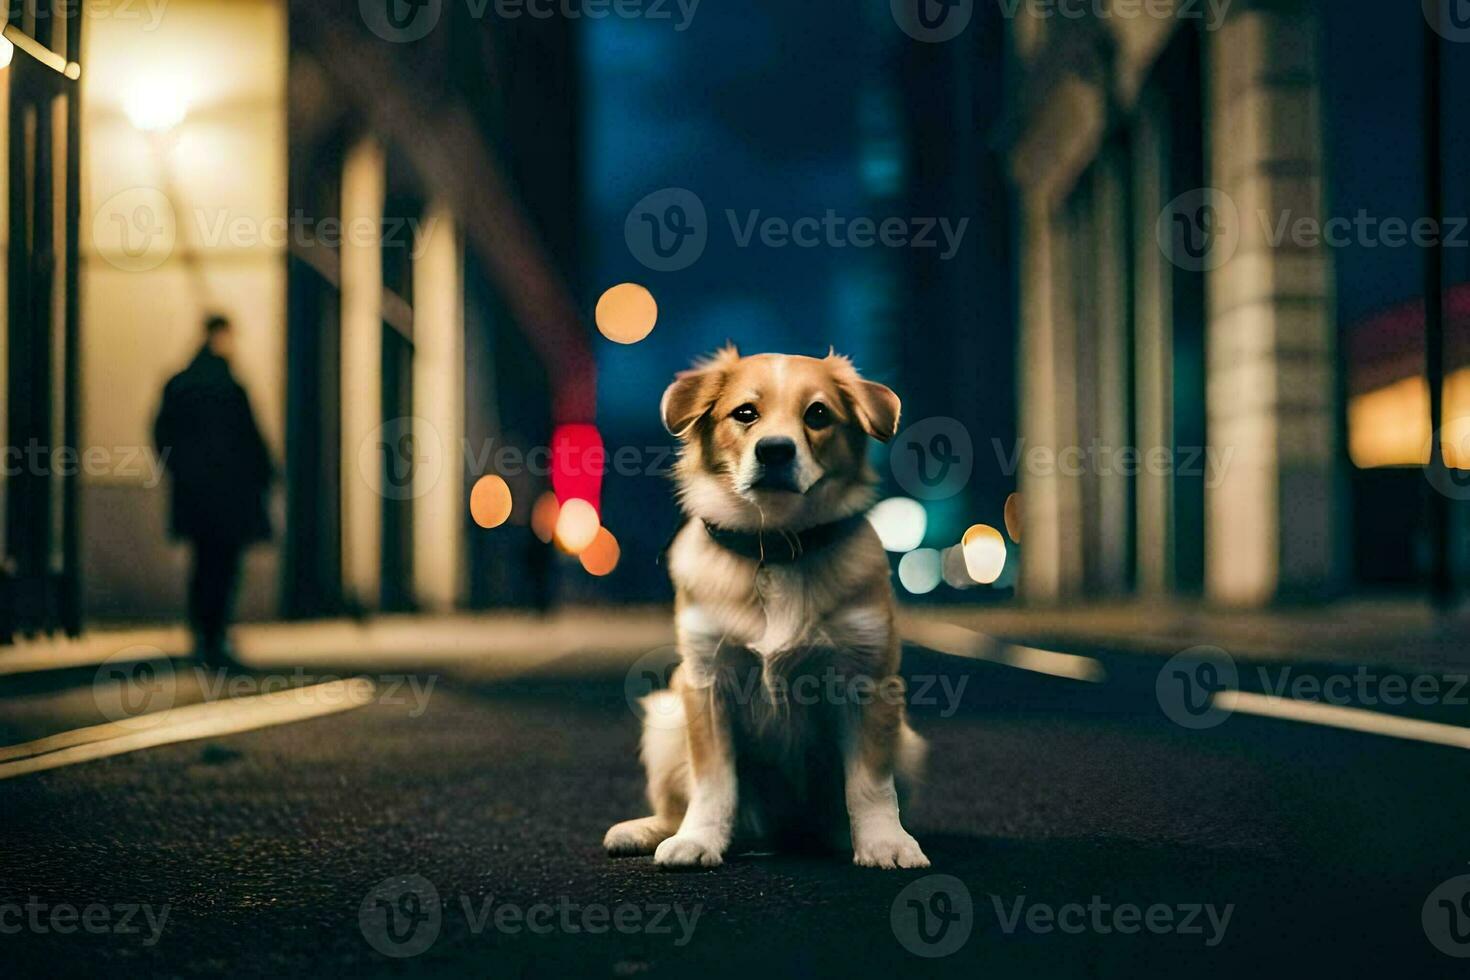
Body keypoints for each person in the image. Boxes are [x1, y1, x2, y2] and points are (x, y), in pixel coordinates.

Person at [154, 315, 274, 667]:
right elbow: (251, 442)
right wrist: (263, 477)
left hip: (198, 495)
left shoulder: (181, 384)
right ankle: (214, 632)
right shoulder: (229, 387)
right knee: (222, 567)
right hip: (228, 496)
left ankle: (204, 633)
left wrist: (180, 471)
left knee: (205, 564)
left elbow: (163, 436)